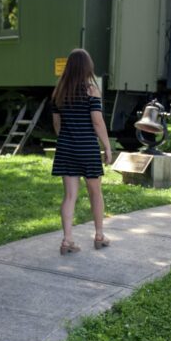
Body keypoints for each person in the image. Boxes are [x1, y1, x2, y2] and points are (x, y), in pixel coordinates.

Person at [50, 48, 113, 254]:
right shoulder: (91, 91)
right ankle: (99, 236)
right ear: (87, 67)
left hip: (66, 148)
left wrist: (67, 138)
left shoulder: (59, 92)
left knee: (69, 196)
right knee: (95, 193)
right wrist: (107, 146)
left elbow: (57, 124)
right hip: (87, 148)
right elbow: (97, 122)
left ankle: (67, 240)